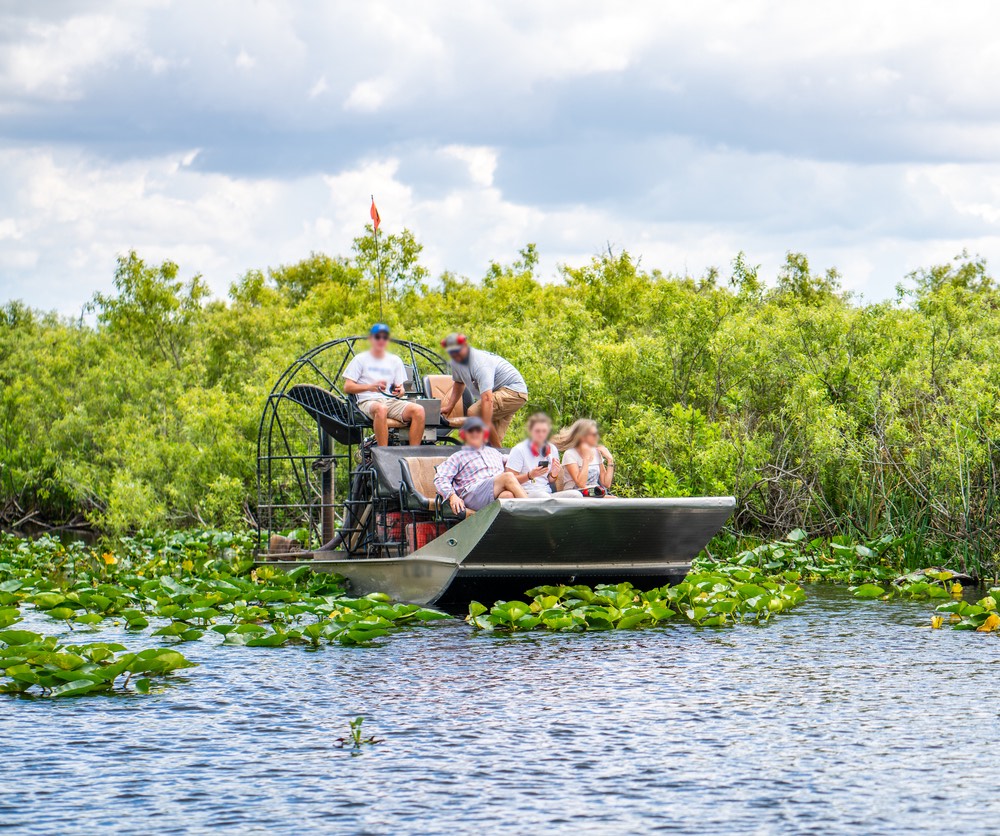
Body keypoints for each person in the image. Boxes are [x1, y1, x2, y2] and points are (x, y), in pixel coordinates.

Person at [343, 323, 426, 446]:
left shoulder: (395, 360)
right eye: (378, 337)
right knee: (381, 409)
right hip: (367, 402)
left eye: (385, 337)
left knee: (419, 410)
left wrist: (400, 391)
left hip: (389, 401)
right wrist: (370, 387)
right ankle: (384, 452)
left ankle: (413, 454)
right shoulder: (360, 359)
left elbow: (401, 389)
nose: (381, 340)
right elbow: (347, 387)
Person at [438, 333, 527, 445]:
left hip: (513, 392)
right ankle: (497, 457)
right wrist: (449, 406)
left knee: (474, 412)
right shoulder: (456, 362)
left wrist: (484, 423)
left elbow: (487, 399)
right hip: (499, 393)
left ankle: (451, 423)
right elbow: (459, 383)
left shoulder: (480, 363)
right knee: (492, 442)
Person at [433, 417, 528, 514]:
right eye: (470, 430)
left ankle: (513, 527)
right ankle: (533, 511)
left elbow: (516, 461)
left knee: (508, 496)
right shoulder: (458, 457)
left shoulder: (495, 453)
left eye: (478, 430)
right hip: (473, 494)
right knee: (508, 477)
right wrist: (452, 496)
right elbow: (440, 478)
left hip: (493, 492)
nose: (475, 433)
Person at [505, 412, 562, 498]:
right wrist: (530, 475)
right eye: (537, 431)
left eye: (544, 431)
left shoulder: (552, 449)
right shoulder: (519, 449)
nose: (541, 434)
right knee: (544, 497)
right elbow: (508, 480)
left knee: (575, 495)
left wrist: (554, 473)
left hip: (547, 492)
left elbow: (550, 480)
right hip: (526, 493)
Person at [553, 419, 615, 495]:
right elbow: (581, 484)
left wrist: (610, 459)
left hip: (595, 492)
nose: (597, 437)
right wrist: (586, 459)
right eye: (594, 434)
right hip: (576, 493)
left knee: (614, 500)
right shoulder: (570, 454)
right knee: (612, 500)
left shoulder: (596, 452)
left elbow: (606, 483)